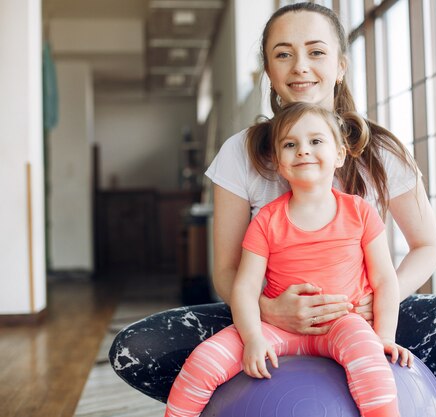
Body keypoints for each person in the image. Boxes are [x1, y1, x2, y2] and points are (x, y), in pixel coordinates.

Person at [109, 2, 436, 409]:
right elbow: (225, 271)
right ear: (269, 70)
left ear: (339, 65)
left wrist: (377, 303)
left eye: (316, 51)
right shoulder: (241, 152)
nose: (300, 66)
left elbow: (427, 245)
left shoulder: (382, 151)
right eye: (283, 54)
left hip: (367, 316)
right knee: (136, 350)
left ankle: (406, 401)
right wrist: (268, 310)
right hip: (266, 319)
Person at [165, 102, 413, 417]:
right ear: (279, 163)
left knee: (371, 358)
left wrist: (384, 336)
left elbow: (384, 280)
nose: (303, 151)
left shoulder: (361, 212)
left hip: (344, 324)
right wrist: (253, 337)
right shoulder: (266, 220)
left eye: (316, 141)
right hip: (278, 329)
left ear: (339, 155)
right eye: (290, 144)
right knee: (204, 359)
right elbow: (244, 288)